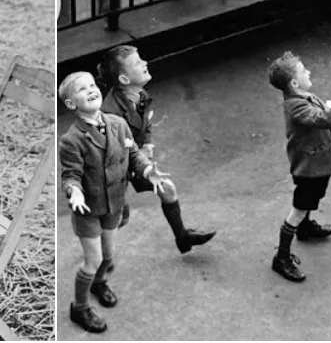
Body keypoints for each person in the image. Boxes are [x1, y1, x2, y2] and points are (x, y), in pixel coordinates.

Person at [59, 71, 169, 334]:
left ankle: (99, 282)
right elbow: (70, 174)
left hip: (114, 204)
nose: (91, 90)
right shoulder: (71, 140)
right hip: (89, 210)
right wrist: (74, 191)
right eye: (82, 89)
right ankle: (80, 307)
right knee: (92, 259)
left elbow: (133, 154)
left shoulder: (118, 124)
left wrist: (146, 170)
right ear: (72, 105)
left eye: (92, 85)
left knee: (108, 255)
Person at [98, 45, 215, 254]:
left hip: (134, 161)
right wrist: (141, 161)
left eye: (141, 59)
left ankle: (183, 238)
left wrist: (147, 145)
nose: (144, 63)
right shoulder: (111, 114)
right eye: (137, 63)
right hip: (113, 170)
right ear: (124, 80)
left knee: (167, 188)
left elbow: (146, 123)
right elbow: (113, 151)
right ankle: (94, 248)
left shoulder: (140, 95)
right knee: (117, 219)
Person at [266, 51, 331, 282]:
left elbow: (324, 117)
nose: (309, 71)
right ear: (294, 82)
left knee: (315, 196)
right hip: (309, 166)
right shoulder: (294, 105)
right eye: (304, 70)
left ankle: (305, 229)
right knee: (299, 209)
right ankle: (282, 257)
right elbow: (323, 119)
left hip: (318, 164)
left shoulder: (303, 96)